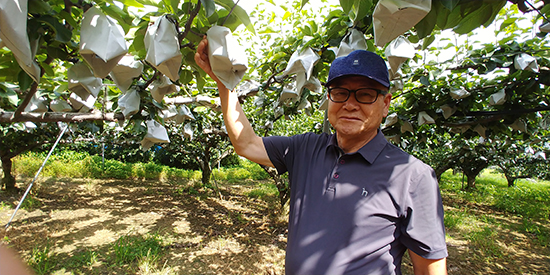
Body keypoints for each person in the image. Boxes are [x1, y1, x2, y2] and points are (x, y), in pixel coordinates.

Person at [195, 38, 448, 275]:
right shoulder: (305, 148)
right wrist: (224, 82)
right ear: (329, 98)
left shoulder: (412, 175)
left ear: (385, 104)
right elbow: (246, 144)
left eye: (366, 94)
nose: (350, 104)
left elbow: (430, 268)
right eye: (340, 93)